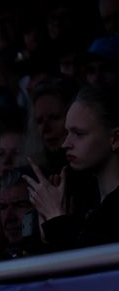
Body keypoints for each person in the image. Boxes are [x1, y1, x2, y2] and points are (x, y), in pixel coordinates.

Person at [28, 84, 119, 250]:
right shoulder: (88, 204)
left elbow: (89, 267)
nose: (65, 144)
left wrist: (55, 216)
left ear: (115, 139)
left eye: (79, 134)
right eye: (68, 132)